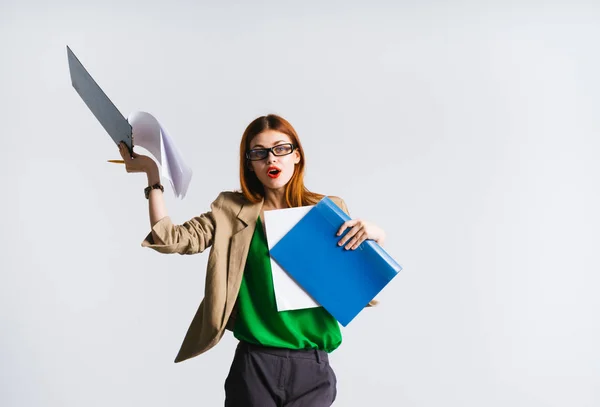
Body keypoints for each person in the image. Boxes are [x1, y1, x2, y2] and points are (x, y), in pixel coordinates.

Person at [117, 114, 387, 407]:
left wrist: (376, 235)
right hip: (254, 364)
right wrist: (152, 177)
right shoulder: (231, 210)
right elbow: (170, 238)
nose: (271, 159)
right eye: (259, 152)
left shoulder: (325, 212)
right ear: (249, 163)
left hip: (313, 366)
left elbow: (357, 288)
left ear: (297, 155)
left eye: (281, 148)